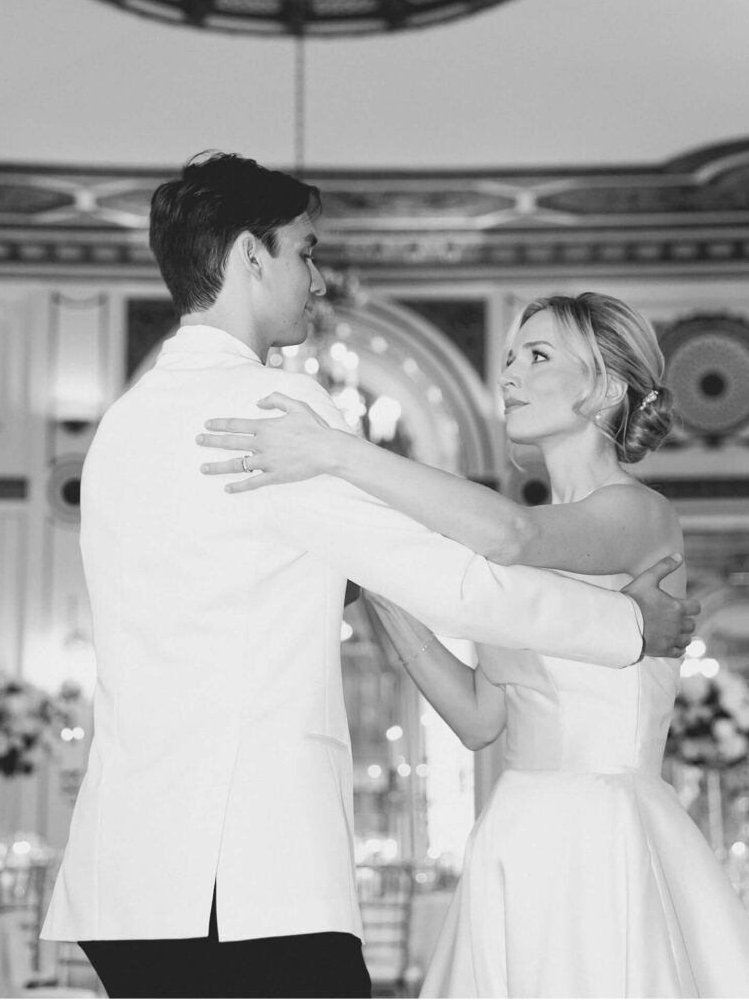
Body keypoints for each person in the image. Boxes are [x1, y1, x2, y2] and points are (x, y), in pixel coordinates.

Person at [40, 154, 701, 1000]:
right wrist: (633, 628)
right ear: (252, 255)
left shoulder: (120, 428)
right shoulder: (276, 408)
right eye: (305, 252)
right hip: (243, 872)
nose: (317, 278)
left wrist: (367, 565)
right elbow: (465, 582)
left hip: (124, 874)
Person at [199, 291, 749, 998]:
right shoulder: (527, 532)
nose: (508, 375)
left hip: (603, 829)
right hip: (514, 826)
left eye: (537, 357)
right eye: (509, 358)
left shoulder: (636, 512)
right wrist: (381, 581)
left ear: (604, 388)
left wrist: (339, 452)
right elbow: (481, 720)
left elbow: (514, 536)